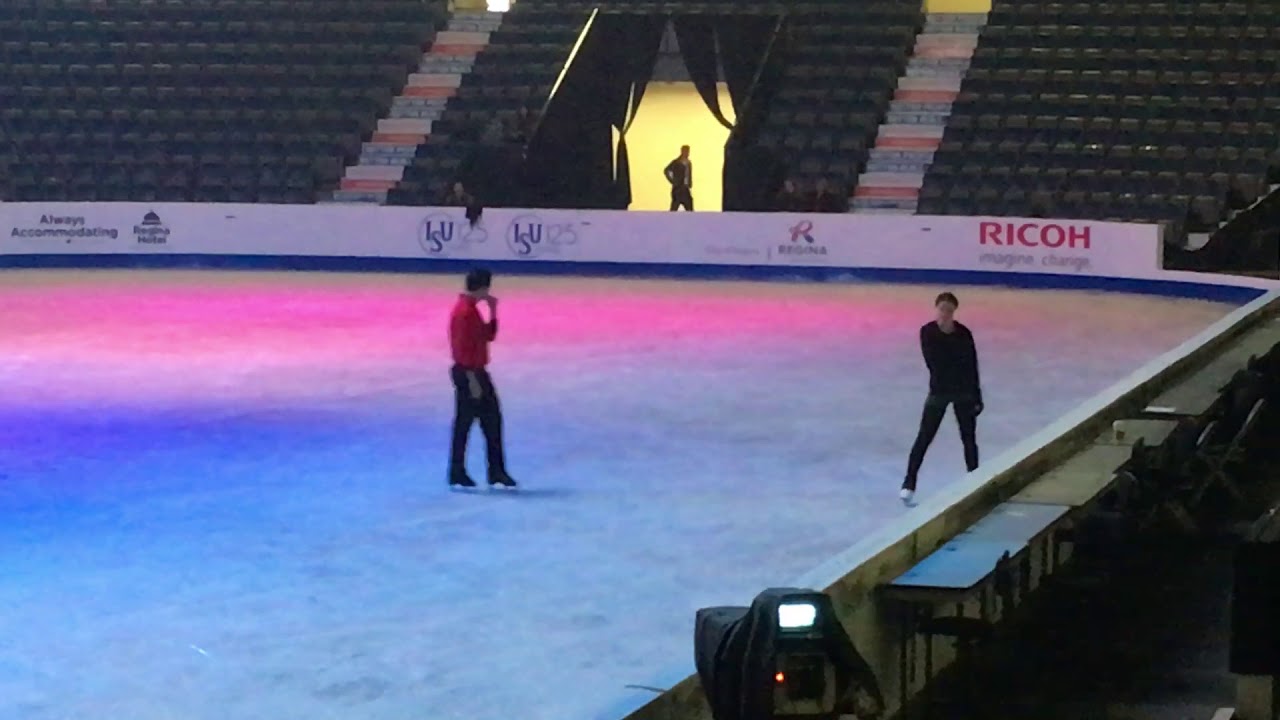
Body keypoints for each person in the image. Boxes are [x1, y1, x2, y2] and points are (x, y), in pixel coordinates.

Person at [901, 292, 982, 504]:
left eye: (949, 309)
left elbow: (972, 365)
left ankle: (975, 479)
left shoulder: (964, 333)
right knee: (924, 437)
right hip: (939, 390)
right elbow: (935, 362)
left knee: (968, 438)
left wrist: (976, 394)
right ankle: (909, 483)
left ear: (954, 311)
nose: (945, 313)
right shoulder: (927, 332)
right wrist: (954, 368)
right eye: (942, 308)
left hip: (964, 391)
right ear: (936, 309)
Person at [448, 268, 517, 489]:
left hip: (472, 372)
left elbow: (487, 336)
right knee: (481, 423)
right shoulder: (466, 313)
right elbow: (462, 350)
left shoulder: (470, 310)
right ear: (482, 288)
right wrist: (473, 380)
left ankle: (466, 470)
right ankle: (487, 471)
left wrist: (493, 311)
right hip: (471, 373)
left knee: (472, 423)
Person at [664, 145, 693, 211]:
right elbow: (666, 170)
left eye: (688, 151)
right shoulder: (676, 162)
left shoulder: (689, 163)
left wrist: (689, 184)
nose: (687, 153)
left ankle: (691, 221)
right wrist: (673, 181)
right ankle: (669, 220)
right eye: (685, 151)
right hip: (678, 189)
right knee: (674, 208)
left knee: (690, 208)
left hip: (685, 188)